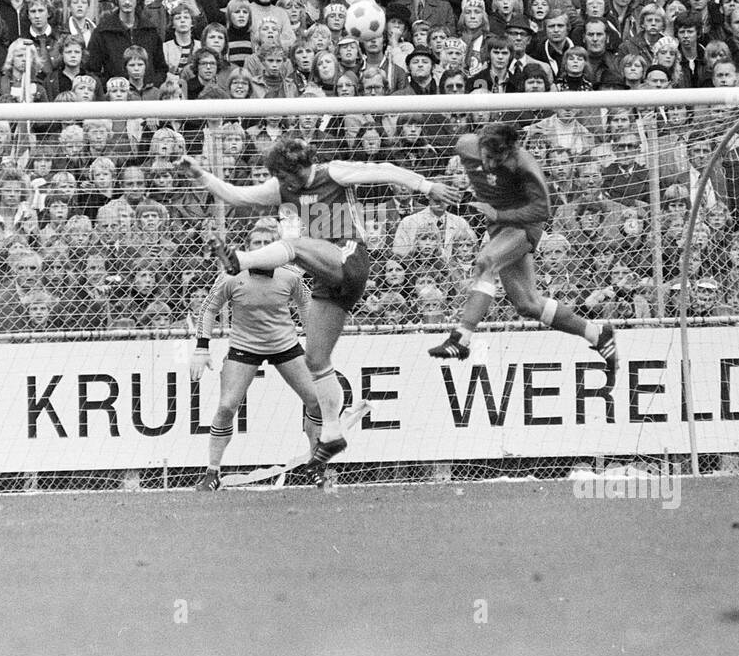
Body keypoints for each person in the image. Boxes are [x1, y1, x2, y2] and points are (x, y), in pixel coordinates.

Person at [180, 136, 459, 471]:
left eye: (285, 176)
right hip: (327, 276)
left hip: (350, 259)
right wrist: (200, 174)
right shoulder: (283, 187)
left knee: (294, 243)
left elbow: (384, 169)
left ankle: (241, 260)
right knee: (316, 359)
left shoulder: (334, 172)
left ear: (302, 167)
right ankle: (332, 432)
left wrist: (427, 186)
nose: (281, 183)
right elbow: (238, 196)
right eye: (278, 177)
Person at [426, 123, 617, 372]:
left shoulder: (526, 165)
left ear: (511, 151)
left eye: (498, 160)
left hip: (524, 226)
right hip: (498, 227)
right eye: (487, 157)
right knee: (528, 304)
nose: (491, 164)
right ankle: (597, 334)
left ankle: (460, 339)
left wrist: (499, 213)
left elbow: (542, 211)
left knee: (486, 262)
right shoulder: (465, 146)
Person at [190, 225, 321, 491]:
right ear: (248, 248)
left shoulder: (291, 275)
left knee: (316, 401)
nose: (262, 247)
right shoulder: (231, 276)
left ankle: (317, 465)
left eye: (267, 243)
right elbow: (208, 309)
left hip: (284, 345)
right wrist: (202, 348)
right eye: (257, 242)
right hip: (244, 347)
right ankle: (212, 472)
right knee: (226, 407)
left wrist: (316, 342)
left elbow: (307, 303)